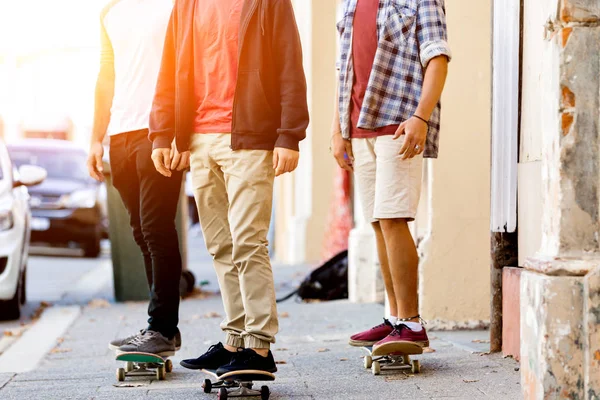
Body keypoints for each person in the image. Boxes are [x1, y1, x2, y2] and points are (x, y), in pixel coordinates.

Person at [149, 0, 309, 375]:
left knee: (248, 240)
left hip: (251, 136)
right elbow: (169, 70)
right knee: (220, 244)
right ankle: (234, 339)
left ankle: (259, 346)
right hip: (199, 139)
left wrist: (289, 135)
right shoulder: (186, 4)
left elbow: (290, 63)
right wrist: (161, 134)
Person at [331, 0, 451, 354]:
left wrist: (421, 116)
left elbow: (437, 57)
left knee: (393, 218)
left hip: (398, 123)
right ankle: (395, 317)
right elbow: (344, 67)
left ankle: (412, 323)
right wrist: (337, 131)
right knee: (377, 222)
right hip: (358, 127)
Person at [87, 0, 187, 357]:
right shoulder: (109, 11)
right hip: (121, 135)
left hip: (159, 131)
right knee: (140, 232)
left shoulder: (174, 5)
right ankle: (160, 328)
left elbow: (188, 66)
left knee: (157, 228)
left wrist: (181, 132)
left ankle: (162, 327)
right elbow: (106, 75)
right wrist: (96, 138)